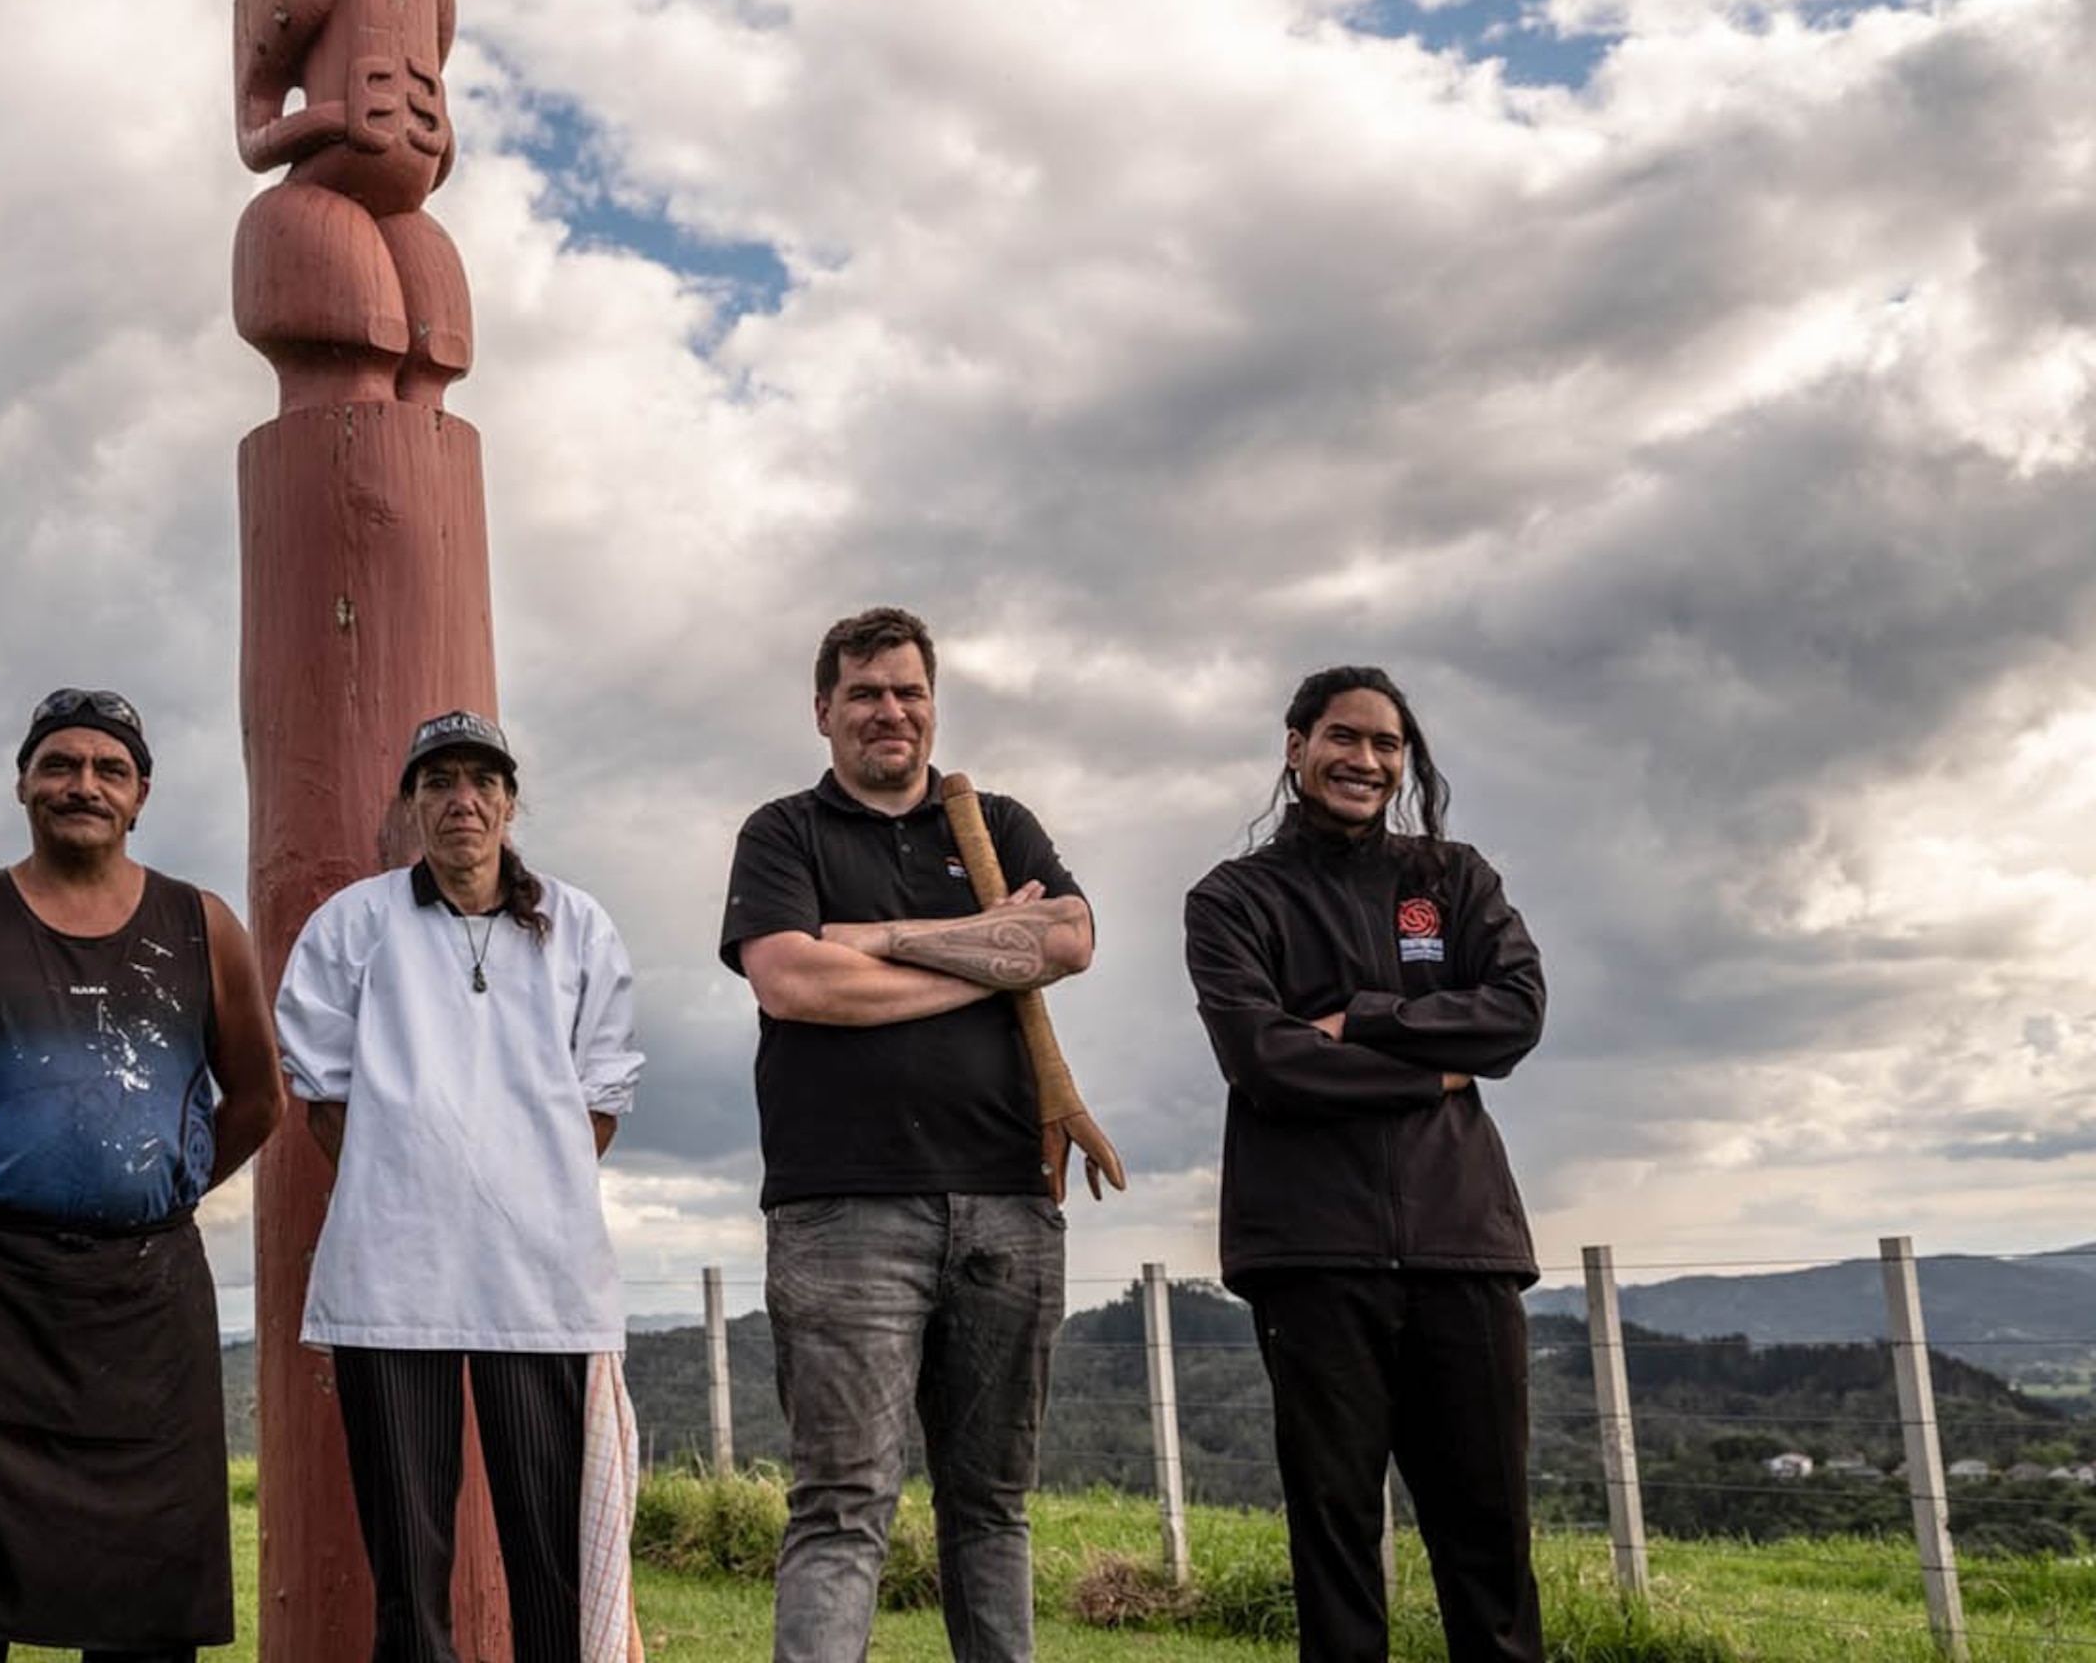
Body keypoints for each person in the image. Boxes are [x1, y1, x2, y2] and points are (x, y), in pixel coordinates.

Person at [0, 688, 283, 1663]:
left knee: (147, 1611)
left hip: (146, 1310)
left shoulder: (203, 926)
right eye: (60, 764)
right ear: (23, 785)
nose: (84, 783)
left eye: (109, 768)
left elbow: (258, 1100)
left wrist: (155, 1189)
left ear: (141, 795)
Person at [717, 607, 1103, 1663]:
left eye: (908, 691)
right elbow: (796, 982)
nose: (890, 710)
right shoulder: (783, 832)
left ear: (932, 704)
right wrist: (988, 951)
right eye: (865, 693)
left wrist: (875, 941)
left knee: (993, 1504)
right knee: (842, 1503)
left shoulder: (997, 822)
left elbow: (1071, 936)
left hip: (1008, 1198)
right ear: (823, 710)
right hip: (843, 1208)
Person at [1183, 665, 1548, 1663]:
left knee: (1488, 1534)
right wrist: (1438, 1073)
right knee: (1335, 1531)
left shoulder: (1453, 878)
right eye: (1344, 736)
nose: (1367, 760)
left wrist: (1366, 1020)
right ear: (1296, 746)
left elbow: (1516, 1012)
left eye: (1388, 744)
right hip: (1309, 1253)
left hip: (1463, 1245)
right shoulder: (1232, 899)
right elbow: (1267, 1062)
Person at [276, 709, 644, 1663]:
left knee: (553, 1563)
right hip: (393, 1282)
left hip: (541, 1286)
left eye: (483, 781)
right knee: (409, 1571)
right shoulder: (355, 925)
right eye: (438, 782)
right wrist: (415, 1186)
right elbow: (323, 1095)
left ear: (512, 803)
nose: (462, 801)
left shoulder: (577, 926)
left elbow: (602, 1096)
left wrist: (521, 1194)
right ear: (411, 805)